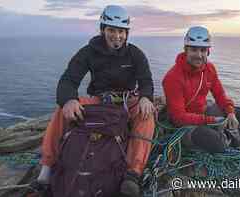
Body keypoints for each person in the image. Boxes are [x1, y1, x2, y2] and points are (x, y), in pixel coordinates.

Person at [37, 5, 155, 196]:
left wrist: (146, 98)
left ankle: (133, 173)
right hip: (99, 101)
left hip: (128, 101)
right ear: (103, 30)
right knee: (61, 111)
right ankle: (47, 167)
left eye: (121, 31)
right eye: (111, 30)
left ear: (127, 33)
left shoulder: (135, 54)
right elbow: (68, 79)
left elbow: (146, 80)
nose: (117, 36)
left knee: (146, 116)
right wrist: (68, 100)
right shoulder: (88, 52)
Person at [162, 26, 240, 157]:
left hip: (203, 113)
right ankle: (229, 145)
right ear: (186, 50)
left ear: (208, 51)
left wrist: (230, 112)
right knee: (216, 142)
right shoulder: (172, 78)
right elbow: (179, 118)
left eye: (203, 50)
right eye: (194, 49)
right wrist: (210, 120)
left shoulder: (209, 69)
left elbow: (220, 95)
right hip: (183, 127)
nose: (199, 55)